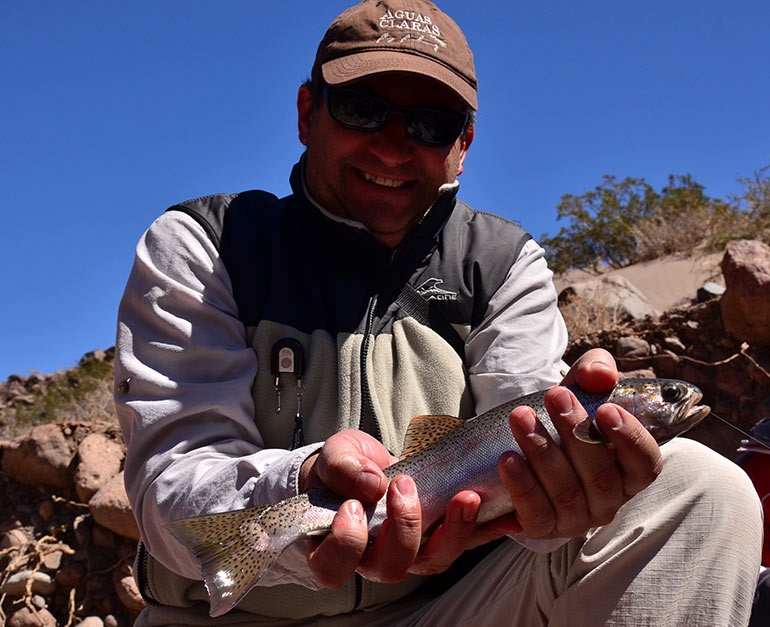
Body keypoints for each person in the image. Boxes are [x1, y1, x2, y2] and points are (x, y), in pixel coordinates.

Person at [114, 1, 762, 625]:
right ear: (309, 112)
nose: (394, 148)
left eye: (431, 124)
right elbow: (172, 495)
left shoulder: (502, 263)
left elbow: (530, 478)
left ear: (464, 144)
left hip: (444, 610)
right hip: (229, 620)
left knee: (703, 486)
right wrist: (303, 479)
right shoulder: (211, 242)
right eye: (363, 108)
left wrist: (566, 506)